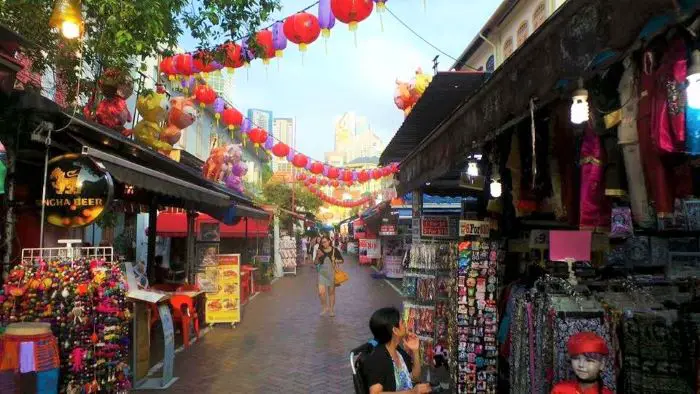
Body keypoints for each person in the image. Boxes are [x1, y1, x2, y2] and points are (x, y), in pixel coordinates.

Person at [362, 307, 431, 394]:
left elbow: (415, 377)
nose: (405, 324)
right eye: (402, 322)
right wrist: (412, 392)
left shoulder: (398, 351)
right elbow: (375, 393)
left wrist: (415, 351)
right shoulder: (377, 358)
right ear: (395, 330)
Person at [314, 235, 343, 317]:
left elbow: (342, 260)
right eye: (322, 243)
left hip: (331, 272)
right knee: (321, 292)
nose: (323, 244)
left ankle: (331, 310)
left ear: (329, 241)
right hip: (322, 273)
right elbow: (316, 263)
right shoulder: (320, 250)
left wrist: (335, 260)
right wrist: (317, 256)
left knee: (331, 293)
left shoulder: (335, 250)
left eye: (324, 242)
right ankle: (325, 307)